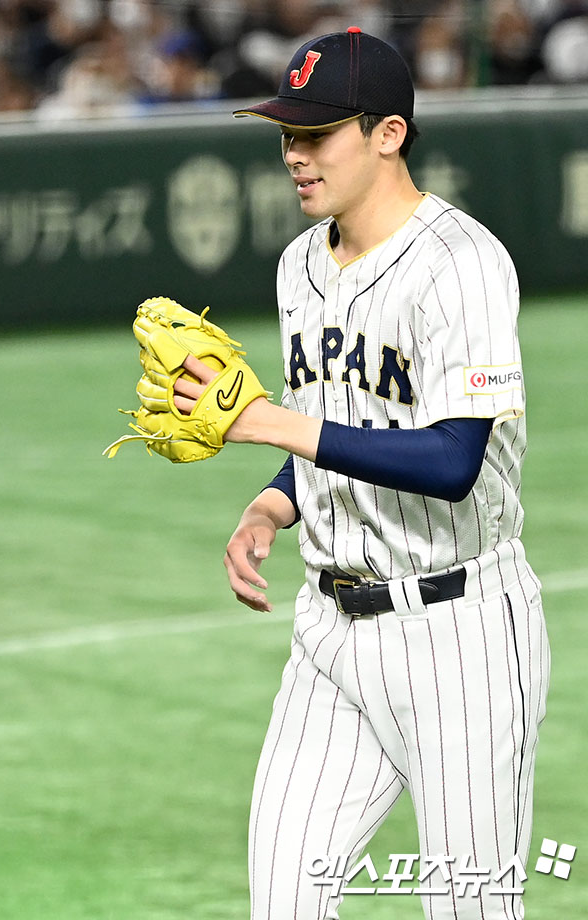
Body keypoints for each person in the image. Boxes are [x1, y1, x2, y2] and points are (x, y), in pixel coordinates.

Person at [171, 28, 547, 919]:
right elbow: (341, 423)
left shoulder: (464, 264)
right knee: (284, 903)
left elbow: (453, 461)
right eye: (287, 137)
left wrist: (267, 425)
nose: (294, 157)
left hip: (460, 636)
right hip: (329, 635)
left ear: (388, 134)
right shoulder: (299, 265)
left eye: (317, 135)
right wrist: (273, 501)